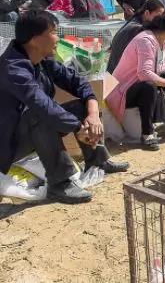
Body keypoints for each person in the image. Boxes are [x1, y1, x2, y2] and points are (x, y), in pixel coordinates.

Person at [0, 11, 128, 204]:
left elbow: (79, 82)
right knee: (40, 115)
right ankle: (59, 183)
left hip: (29, 131)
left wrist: (92, 114)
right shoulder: (13, 69)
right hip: (8, 143)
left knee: (80, 106)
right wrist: (78, 127)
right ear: (35, 39)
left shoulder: (41, 60)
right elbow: (42, 105)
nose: (58, 38)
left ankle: (97, 159)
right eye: (53, 32)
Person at [106, 9, 165, 151]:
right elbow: (144, 73)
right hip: (122, 91)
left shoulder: (162, 39)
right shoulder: (146, 40)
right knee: (149, 86)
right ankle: (147, 134)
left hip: (137, 84)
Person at [107, 0, 165, 73]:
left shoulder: (133, 22)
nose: (160, 20)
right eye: (158, 16)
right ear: (147, 13)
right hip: (120, 76)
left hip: (114, 72)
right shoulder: (139, 29)